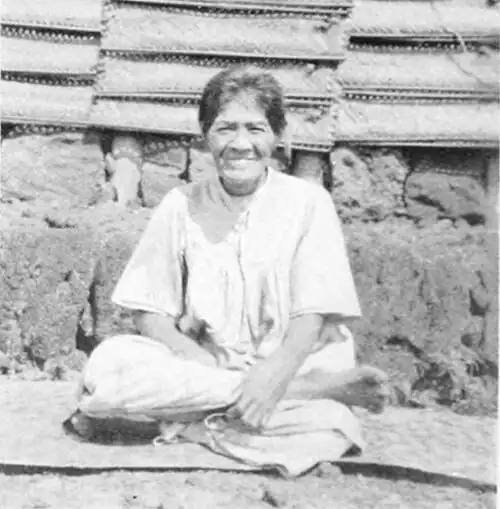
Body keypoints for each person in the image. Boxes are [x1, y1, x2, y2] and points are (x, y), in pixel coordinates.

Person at [66, 66, 389, 476]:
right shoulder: (180, 204)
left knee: (330, 429)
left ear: (277, 137)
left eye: (255, 129)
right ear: (206, 137)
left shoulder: (310, 203)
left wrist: (274, 374)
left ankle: (194, 419)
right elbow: (148, 313)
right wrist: (200, 361)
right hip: (206, 366)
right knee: (107, 368)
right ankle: (303, 396)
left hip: (293, 361)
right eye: (225, 129)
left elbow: (314, 314)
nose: (240, 145)